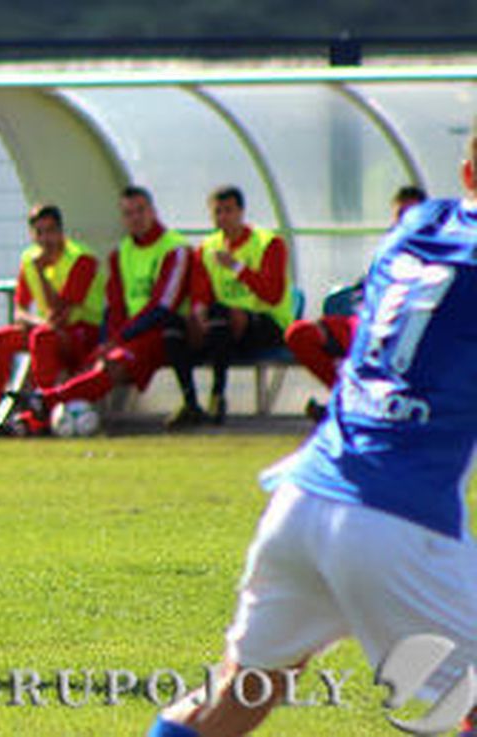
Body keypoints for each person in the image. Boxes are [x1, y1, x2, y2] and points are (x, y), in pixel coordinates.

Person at [146, 133, 477, 737]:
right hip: (397, 520)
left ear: (467, 175)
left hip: (304, 498)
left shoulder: (417, 227)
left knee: (232, 697)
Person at [12, 186, 195, 432]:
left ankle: (44, 402)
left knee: (109, 364)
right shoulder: (120, 253)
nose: (136, 218)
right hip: (129, 334)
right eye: (129, 213)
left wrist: (117, 339)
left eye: (140, 211)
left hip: (164, 332)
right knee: (91, 361)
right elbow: (116, 306)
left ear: (153, 211)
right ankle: (27, 420)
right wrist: (109, 340)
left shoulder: (175, 248)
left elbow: (162, 308)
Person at [0, 203, 103, 435]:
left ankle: (42, 415)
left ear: (61, 231)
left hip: (84, 334)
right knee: (3, 338)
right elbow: (19, 311)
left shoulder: (81, 259)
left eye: (51, 231)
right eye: (39, 232)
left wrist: (42, 276)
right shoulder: (29, 259)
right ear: (32, 234)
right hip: (51, 330)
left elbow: (61, 311)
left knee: (42, 336)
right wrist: (32, 320)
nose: (46, 238)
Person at [285, 185, 426, 418]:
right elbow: (366, 292)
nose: (403, 223)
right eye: (399, 216)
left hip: (404, 329)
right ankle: (347, 399)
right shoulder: (387, 252)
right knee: (300, 333)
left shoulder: (441, 254)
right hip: (364, 324)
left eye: (411, 215)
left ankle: (356, 406)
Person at [165, 186, 294, 427]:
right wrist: (198, 311)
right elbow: (200, 291)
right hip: (223, 328)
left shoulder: (269, 243)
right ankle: (190, 402)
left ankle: (218, 396)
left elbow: (273, 295)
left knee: (221, 317)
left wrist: (237, 268)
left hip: (268, 325)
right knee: (173, 327)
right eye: (217, 212)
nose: (223, 217)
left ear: (241, 212)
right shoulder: (208, 247)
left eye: (229, 211)